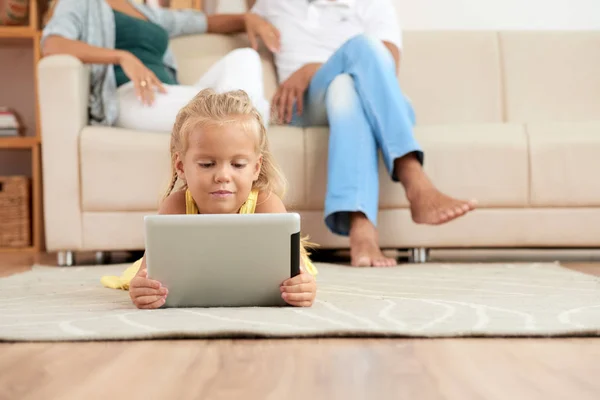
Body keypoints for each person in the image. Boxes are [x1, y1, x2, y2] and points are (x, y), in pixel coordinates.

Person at [246, 0, 477, 267]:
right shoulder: (274, 3)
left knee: (348, 79)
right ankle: (412, 175)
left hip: (366, 97)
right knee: (359, 51)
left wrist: (311, 70)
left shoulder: (372, 4)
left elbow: (385, 65)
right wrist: (247, 20)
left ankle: (362, 228)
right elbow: (213, 19)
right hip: (306, 106)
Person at [100, 89, 318, 309]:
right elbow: (145, 276)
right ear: (181, 166)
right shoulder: (175, 207)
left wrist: (303, 288)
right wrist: (143, 289)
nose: (223, 176)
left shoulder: (267, 205)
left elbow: (299, 277)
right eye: (207, 164)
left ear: (256, 168)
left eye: (238, 165)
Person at [41, 0, 278, 131]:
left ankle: (247, 127)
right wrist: (121, 57)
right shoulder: (81, 3)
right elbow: (52, 43)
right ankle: (253, 126)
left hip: (170, 92)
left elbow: (202, 22)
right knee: (226, 112)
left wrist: (246, 19)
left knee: (245, 57)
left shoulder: (147, 13)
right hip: (133, 97)